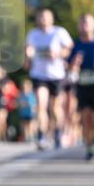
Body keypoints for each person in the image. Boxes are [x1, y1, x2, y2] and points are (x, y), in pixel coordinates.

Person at [25, 8, 73, 149]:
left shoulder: (59, 32)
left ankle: (57, 133)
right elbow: (29, 49)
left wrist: (58, 54)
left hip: (56, 75)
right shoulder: (33, 34)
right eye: (41, 17)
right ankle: (41, 135)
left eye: (46, 17)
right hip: (39, 75)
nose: (43, 20)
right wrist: (28, 54)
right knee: (41, 104)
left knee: (55, 107)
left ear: (51, 19)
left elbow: (69, 48)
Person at [68, 12, 94, 160]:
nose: (85, 25)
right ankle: (89, 145)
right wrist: (74, 64)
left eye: (88, 22)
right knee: (85, 117)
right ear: (79, 26)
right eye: (82, 22)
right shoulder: (76, 45)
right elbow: (68, 67)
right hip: (82, 85)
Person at [17, 78, 37, 142]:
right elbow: (19, 103)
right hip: (24, 113)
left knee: (31, 124)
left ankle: (31, 135)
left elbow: (33, 104)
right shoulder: (21, 95)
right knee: (24, 124)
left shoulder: (32, 94)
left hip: (31, 113)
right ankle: (26, 136)